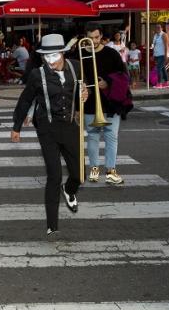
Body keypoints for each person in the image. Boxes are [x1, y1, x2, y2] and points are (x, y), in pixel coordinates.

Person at [12, 33, 88, 236]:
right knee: (54, 175)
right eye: (46, 57)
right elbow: (25, 100)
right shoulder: (37, 75)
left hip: (71, 126)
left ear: (63, 53)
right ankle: (52, 225)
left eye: (54, 56)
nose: (50, 61)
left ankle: (70, 190)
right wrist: (16, 127)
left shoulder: (76, 66)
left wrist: (84, 95)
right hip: (48, 130)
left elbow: (83, 89)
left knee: (80, 174)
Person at [76, 26, 128, 185]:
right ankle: (94, 169)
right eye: (90, 38)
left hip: (111, 103)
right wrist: (78, 106)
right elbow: (75, 81)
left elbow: (124, 76)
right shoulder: (80, 55)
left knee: (111, 137)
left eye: (97, 37)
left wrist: (108, 82)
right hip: (90, 104)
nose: (93, 41)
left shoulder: (111, 54)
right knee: (92, 137)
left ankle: (111, 171)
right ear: (85, 37)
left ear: (102, 37)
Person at [151, 22, 169, 89]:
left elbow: (166, 46)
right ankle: (166, 82)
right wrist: (153, 54)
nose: (157, 28)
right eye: (156, 27)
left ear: (162, 28)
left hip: (163, 54)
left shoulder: (164, 35)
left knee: (158, 69)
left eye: (159, 27)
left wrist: (166, 55)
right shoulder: (155, 35)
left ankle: (159, 83)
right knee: (163, 69)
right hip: (157, 55)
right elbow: (154, 45)